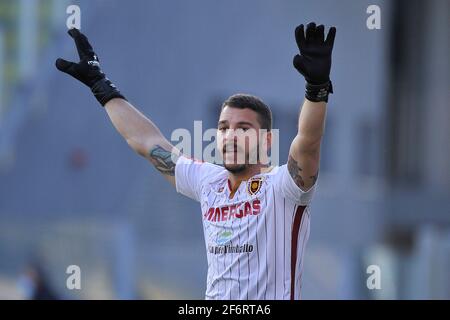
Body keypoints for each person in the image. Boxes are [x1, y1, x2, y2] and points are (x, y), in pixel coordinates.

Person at [55, 22, 336, 300]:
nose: (231, 136)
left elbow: (308, 142)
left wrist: (317, 89)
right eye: (224, 128)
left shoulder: (284, 187)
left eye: (244, 129)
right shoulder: (208, 181)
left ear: (267, 141)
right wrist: (100, 86)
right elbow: (146, 142)